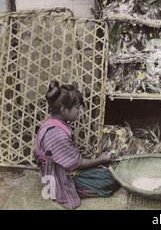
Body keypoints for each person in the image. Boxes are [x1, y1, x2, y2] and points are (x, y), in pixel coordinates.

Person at [34, 81, 120, 209]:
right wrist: (102, 159)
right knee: (109, 180)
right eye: (77, 108)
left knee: (106, 171)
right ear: (63, 109)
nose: (79, 111)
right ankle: (65, 189)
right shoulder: (56, 134)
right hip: (57, 174)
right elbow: (77, 163)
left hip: (59, 166)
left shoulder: (52, 122)